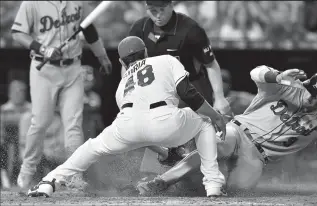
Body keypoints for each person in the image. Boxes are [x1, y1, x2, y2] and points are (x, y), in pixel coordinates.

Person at [27, 36, 227, 198]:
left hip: (127, 126)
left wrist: (164, 151)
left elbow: (141, 127)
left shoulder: (123, 84)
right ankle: (213, 184)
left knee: (91, 147)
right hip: (166, 121)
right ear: (146, 53)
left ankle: (49, 181)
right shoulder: (165, 60)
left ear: (122, 62)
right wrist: (215, 115)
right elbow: (187, 93)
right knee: (206, 123)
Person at [137, 65, 317, 195]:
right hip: (238, 131)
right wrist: (278, 76)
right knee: (213, 146)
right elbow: (256, 72)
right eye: (311, 90)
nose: (311, 97)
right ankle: (161, 181)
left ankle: (187, 180)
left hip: (257, 157)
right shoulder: (286, 87)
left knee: (237, 190)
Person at [11, 1, 112, 190]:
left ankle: (74, 176)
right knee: (40, 122)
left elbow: (88, 28)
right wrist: (42, 48)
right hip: (44, 69)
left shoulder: (78, 2)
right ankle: (27, 169)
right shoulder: (32, 3)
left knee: (73, 124)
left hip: (73, 68)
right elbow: (18, 33)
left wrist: (102, 55)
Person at [128, 0, 232, 175]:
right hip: (158, 91)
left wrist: (219, 97)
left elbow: (210, 64)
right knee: (146, 128)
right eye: (153, 11)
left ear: (171, 6)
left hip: (192, 88)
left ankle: (209, 176)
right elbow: (129, 65)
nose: (158, 15)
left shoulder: (191, 30)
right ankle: (155, 174)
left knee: (199, 134)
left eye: (162, 10)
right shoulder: (139, 29)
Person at [0, 79, 31, 189]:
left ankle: (29, 182)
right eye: (16, 91)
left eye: (22, 91)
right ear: (10, 93)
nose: (19, 94)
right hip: (7, 143)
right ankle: (5, 181)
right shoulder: (3, 110)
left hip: (27, 143)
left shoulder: (32, 109)